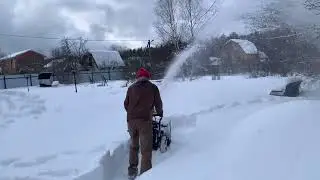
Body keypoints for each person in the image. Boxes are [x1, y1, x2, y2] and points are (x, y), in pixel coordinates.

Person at [124, 67, 163, 179]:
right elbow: (158, 103)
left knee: (133, 146)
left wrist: (133, 113)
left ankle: (132, 171)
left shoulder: (131, 88)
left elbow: (126, 104)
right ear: (147, 77)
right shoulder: (153, 87)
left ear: (138, 77)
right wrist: (159, 113)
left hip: (131, 121)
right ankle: (145, 175)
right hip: (145, 122)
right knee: (146, 149)